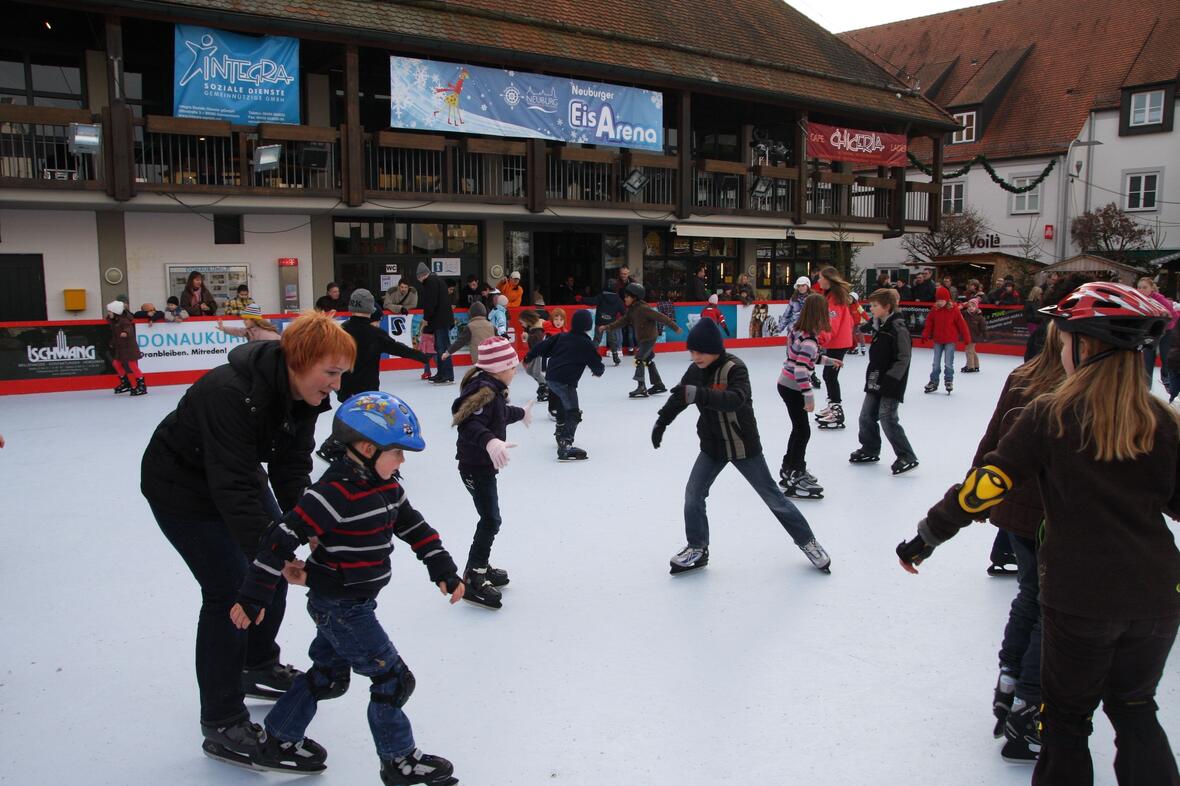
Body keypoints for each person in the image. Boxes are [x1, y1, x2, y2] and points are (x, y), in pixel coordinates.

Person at [897, 281, 1180, 785]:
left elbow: (984, 487)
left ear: (1084, 346)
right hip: (1157, 599)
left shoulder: (1049, 416)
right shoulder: (1163, 422)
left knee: (1067, 724)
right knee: (1136, 709)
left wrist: (927, 536)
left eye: (1063, 337)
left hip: (1079, 600)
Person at [142, 311, 357, 764]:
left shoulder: (305, 395)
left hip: (236, 477)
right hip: (181, 487)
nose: (336, 385)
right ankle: (221, 722)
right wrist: (273, 556)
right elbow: (232, 489)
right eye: (331, 373)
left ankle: (256, 664)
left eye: (341, 375)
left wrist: (311, 527)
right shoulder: (229, 393)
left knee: (271, 564)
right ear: (299, 360)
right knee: (232, 593)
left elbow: (291, 464)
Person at [229, 392, 464, 783]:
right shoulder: (333, 494)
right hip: (341, 608)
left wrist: (441, 566)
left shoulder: (387, 488)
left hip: (352, 601)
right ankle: (398, 761)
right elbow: (278, 540)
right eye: (398, 452)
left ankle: (280, 739)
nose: (403, 461)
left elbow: (414, 527)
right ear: (367, 449)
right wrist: (253, 596)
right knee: (392, 680)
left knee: (328, 676)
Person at [651, 318, 832, 575]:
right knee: (693, 494)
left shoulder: (735, 368)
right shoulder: (695, 371)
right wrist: (662, 422)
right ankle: (697, 548)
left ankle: (809, 543)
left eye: (700, 351)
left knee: (774, 499)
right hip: (712, 446)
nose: (695, 356)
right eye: (692, 351)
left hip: (742, 446)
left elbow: (735, 400)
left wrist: (698, 394)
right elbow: (681, 396)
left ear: (714, 348)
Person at [969, 321, 1065, 762]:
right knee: (1050, 607)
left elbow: (991, 443)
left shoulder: (1023, 376)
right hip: (1050, 516)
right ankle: (1028, 704)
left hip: (1015, 511)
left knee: (1031, 596)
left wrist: (977, 495)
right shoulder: (1069, 391)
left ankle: (1010, 680)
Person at [450, 337, 532, 610]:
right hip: (475, 467)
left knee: (489, 518)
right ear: (497, 368)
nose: (516, 370)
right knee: (490, 520)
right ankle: (474, 576)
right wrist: (489, 441)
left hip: (480, 467)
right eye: (512, 366)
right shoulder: (483, 392)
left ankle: (481, 564)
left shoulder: (493, 389)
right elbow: (469, 423)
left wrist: (521, 413)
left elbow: (499, 414)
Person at [777, 292, 843, 499]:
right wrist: (809, 396)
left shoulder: (799, 331)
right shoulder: (810, 340)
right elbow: (800, 370)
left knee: (799, 429)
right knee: (803, 431)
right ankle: (796, 470)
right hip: (794, 387)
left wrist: (830, 361)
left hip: (785, 383)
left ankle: (789, 468)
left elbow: (807, 358)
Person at [849, 288, 918, 474]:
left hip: (891, 380)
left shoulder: (898, 327)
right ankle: (870, 448)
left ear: (887, 307)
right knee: (866, 416)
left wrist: (892, 379)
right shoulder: (880, 324)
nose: (870, 309)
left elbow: (904, 357)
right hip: (875, 376)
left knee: (888, 417)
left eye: (874, 305)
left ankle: (907, 455)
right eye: (870, 305)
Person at [525, 309, 605, 460]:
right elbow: (596, 362)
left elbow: (542, 346)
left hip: (551, 377)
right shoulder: (586, 343)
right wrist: (598, 371)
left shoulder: (562, 337)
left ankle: (560, 431)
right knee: (573, 412)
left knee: (563, 404)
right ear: (588, 326)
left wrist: (529, 356)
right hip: (565, 382)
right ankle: (565, 444)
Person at [337, 289, 430, 402]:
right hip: (368, 392)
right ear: (370, 309)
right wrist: (422, 356)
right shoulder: (376, 334)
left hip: (345, 390)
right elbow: (399, 349)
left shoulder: (339, 331)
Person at [597, 283, 682, 398]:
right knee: (647, 360)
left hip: (649, 338)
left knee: (639, 359)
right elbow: (621, 321)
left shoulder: (644, 308)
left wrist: (675, 327)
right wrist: (607, 327)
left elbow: (662, 317)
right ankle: (658, 384)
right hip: (642, 339)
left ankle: (641, 386)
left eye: (627, 297)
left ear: (635, 297)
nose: (625, 299)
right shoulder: (632, 310)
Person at [813, 267, 856, 429]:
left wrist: (819, 340)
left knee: (830, 376)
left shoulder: (834, 299)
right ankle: (833, 406)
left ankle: (837, 410)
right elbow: (848, 321)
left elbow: (832, 324)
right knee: (828, 375)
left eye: (820, 278)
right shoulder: (833, 296)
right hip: (839, 341)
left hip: (838, 343)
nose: (818, 281)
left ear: (828, 280)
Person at [921, 286, 971, 394]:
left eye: (942, 300)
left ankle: (948, 380)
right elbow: (929, 323)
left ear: (947, 299)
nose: (939, 302)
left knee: (948, 363)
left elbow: (962, 325)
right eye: (938, 300)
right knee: (935, 363)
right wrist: (925, 334)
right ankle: (933, 381)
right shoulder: (934, 309)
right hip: (938, 340)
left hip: (950, 341)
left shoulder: (954, 310)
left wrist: (967, 338)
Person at [1137, 276, 1179, 391]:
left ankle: (1168, 381)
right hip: (1151, 331)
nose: (1141, 290)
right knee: (1148, 356)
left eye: (1144, 287)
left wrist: (1165, 328)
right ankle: (1146, 386)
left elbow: (1173, 316)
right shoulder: (1138, 299)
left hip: (1168, 329)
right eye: (1139, 287)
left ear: (1152, 289)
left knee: (1166, 357)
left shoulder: (1159, 299)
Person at [416, 263, 455, 384]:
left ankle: (446, 374)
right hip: (443, 320)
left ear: (421, 275)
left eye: (418, 278)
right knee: (440, 347)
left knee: (442, 347)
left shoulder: (430, 282)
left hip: (440, 321)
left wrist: (426, 318)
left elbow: (430, 302)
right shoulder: (437, 280)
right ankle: (442, 373)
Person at [107, 300, 148, 396]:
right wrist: (113, 342)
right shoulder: (114, 321)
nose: (108, 314)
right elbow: (115, 334)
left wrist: (125, 332)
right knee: (116, 363)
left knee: (133, 365)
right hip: (121, 347)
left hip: (129, 347)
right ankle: (125, 383)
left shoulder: (123, 320)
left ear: (116, 312)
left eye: (110, 311)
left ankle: (141, 385)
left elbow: (128, 328)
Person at [583, 279, 626, 366]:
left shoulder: (601, 296)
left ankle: (592, 357)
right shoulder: (617, 299)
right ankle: (615, 357)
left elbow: (592, 301)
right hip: (611, 323)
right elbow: (623, 311)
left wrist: (582, 299)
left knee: (597, 339)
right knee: (612, 340)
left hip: (600, 321)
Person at [519, 309, 550, 400]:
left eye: (522, 322)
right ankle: (543, 384)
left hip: (538, 354)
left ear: (527, 320)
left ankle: (546, 387)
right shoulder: (532, 329)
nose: (521, 324)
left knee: (536, 372)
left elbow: (538, 344)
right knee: (529, 370)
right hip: (534, 353)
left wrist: (528, 337)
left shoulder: (538, 330)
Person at [217, 303, 281, 343]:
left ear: (253, 320)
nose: (244, 321)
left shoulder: (265, 334)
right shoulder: (249, 330)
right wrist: (223, 328)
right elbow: (237, 331)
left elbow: (276, 344)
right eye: (243, 319)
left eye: (246, 319)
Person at [961, 298, 987, 373]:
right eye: (969, 306)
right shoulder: (965, 314)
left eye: (973, 306)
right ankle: (976, 365)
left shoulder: (979, 317)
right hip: (967, 335)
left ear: (976, 307)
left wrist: (985, 336)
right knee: (972, 351)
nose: (971, 308)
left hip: (974, 336)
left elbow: (983, 327)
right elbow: (957, 311)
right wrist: (963, 305)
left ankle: (970, 367)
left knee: (968, 351)